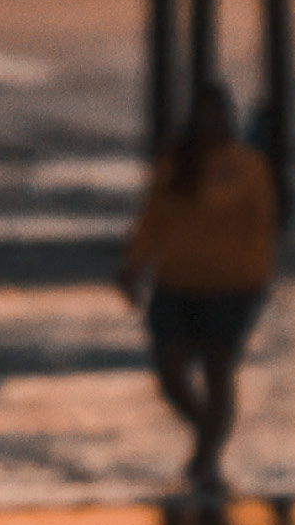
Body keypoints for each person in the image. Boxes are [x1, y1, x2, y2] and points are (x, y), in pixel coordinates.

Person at [119, 85, 277, 489]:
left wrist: (260, 277)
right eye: (203, 113)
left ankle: (205, 457)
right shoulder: (176, 162)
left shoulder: (248, 165)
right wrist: (134, 264)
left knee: (218, 370)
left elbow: (262, 226)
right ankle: (206, 432)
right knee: (169, 369)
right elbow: (152, 217)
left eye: (216, 113)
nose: (209, 121)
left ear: (227, 117)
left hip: (232, 283)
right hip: (176, 280)